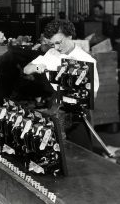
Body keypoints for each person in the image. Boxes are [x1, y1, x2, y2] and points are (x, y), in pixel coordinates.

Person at [23, 20, 100, 150]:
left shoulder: (86, 60)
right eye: (53, 44)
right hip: (55, 107)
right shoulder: (52, 54)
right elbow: (26, 69)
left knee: (81, 151)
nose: (57, 47)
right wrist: (37, 67)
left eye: (59, 42)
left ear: (70, 36)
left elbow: (93, 94)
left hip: (76, 112)